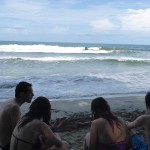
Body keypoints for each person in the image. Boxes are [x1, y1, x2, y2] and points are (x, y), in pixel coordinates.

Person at [0, 81, 34, 150]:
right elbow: (17, 132)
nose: (33, 95)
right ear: (22, 94)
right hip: (8, 146)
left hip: (2, 143)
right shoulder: (15, 107)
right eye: (30, 92)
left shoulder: (10, 101)